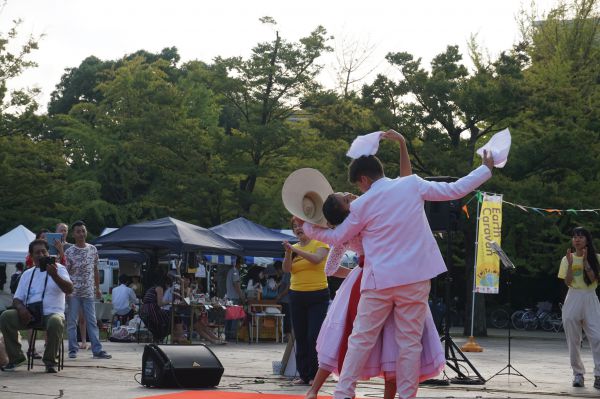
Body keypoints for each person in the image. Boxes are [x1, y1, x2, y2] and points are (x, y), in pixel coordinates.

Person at [301, 138, 494, 398]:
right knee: (409, 344)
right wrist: (485, 169)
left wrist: (307, 226)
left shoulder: (360, 205)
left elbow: (337, 238)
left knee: (360, 339)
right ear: (379, 170)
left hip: (379, 279)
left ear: (363, 180)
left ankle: (344, 393)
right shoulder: (411, 184)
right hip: (415, 278)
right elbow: (455, 189)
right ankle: (405, 397)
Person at [305, 130, 443, 399]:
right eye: (347, 197)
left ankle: (338, 391)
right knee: (386, 342)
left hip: (376, 278)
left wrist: (403, 144)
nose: (352, 195)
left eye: (350, 191)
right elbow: (331, 263)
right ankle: (332, 390)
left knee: (367, 341)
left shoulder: (366, 208)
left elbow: (406, 181)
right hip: (382, 278)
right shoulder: (360, 214)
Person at [0, 239, 73, 373]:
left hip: (52, 313)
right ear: (31, 256)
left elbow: (69, 290)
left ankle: (49, 362)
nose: (40, 255)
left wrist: (54, 275)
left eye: (43, 251)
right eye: (37, 253)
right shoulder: (27, 273)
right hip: (30, 314)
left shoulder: (59, 269)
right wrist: (21, 309)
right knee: (6, 316)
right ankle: (17, 358)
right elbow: (16, 298)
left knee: (56, 322)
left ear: (48, 253)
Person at [282, 218, 330, 386]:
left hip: (318, 295)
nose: (298, 229)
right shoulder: (292, 249)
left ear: (309, 227)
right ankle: (303, 375)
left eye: (301, 226)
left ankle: (314, 376)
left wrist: (296, 250)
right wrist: (288, 253)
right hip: (297, 295)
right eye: (295, 227)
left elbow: (317, 259)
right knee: (300, 336)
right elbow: (286, 269)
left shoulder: (320, 243)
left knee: (313, 336)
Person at [558, 227, 600, 389]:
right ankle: (578, 374)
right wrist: (570, 264)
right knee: (573, 340)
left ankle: (598, 375)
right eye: (575, 236)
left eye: (581, 237)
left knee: (597, 337)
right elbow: (568, 282)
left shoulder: (596, 258)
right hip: (573, 297)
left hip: (590, 297)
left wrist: (585, 263)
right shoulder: (566, 258)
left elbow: (594, 280)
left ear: (587, 240)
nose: (577, 239)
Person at [64, 221, 111, 359]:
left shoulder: (93, 249)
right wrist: (66, 291)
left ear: (86, 232)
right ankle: (73, 349)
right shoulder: (69, 251)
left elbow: (95, 270)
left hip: (89, 292)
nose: (81, 233)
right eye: (78, 231)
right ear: (73, 234)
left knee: (92, 321)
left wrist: (97, 289)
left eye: (83, 231)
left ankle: (97, 350)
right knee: (72, 321)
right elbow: (66, 273)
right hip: (74, 292)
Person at [141, 275, 171, 343]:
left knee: (166, 316)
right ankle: (160, 336)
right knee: (170, 318)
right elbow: (160, 303)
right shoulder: (160, 288)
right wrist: (170, 302)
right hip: (150, 310)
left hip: (144, 310)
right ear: (166, 283)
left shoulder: (153, 287)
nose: (168, 287)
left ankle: (158, 336)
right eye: (168, 285)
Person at [225, 257, 246, 341]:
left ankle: (227, 335)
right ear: (238, 263)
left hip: (229, 297)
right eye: (241, 264)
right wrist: (242, 296)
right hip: (233, 298)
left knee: (229, 317)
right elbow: (236, 285)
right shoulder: (235, 272)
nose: (241, 266)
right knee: (234, 318)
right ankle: (232, 335)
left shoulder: (230, 271)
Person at [274, 261, 292, 342]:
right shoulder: (284, 275)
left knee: (287, 318)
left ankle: (288, 336)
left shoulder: (287, 273)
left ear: (279, 269)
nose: (278, 272)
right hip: (283, 300)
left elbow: (288, 287)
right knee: (284, 319)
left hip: (286, 301)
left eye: (277, 270)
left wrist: (280, 295)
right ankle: (285, 335)